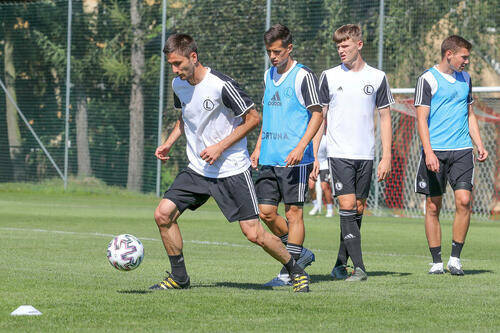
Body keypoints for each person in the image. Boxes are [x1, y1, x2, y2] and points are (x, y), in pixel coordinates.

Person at [151, 33, 310, 292]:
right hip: (199, 168)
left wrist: (219, 147)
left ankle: (296, 270)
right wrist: (169, 142)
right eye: (171, 64)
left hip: (231, 169)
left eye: (178, 63)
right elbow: (186, 118)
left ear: (193, 57)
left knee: (253, 233)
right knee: (163, 214)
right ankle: (179, 277)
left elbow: (253, 118)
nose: (175, 69)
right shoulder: (178, 85)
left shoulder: (221, 85)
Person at [317, 24, 393, 281]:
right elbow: (320, 117)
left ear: (359, 45)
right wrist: (314, 154)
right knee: (347, 205)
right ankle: (359, 267)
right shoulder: (328, 76)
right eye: (338, 46)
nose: (340, 50)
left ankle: (340, 264)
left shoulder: (378, 77)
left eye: (345, 45)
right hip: (338, 153)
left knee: (357, 208)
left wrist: (386, 156)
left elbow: (384, 118)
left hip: (367, 154)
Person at [250, 24, 323, 287]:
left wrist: (302, 147)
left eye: (277, 51)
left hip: (296, 159)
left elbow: (317, 113)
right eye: (269, 51)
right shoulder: (268, 75)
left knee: (294, 213)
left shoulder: (303, 76)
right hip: (269, 157)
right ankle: (299, 254)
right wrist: (258, 147)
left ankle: (290, 269)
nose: (273, 56)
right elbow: (268, 115)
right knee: (266, 212)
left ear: (289, 48)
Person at [414, 35, 488, 276]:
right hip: (435, 151)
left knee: (464, 201)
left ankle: (455, 259)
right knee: (433, 206)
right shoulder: (427, 79)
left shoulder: (466, 78)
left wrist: (479, 143)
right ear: (449, 54)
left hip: (462, 150)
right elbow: (421, 119)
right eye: (463, 56)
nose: (466, 61)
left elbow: (470, 114)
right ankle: (436, 261)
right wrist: (428, 152)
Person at [308, 133, 335, 218]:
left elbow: (330, 155)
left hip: (324, 165)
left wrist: (331, 171)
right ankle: (316, 205)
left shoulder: (325, 139)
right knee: (311, 186)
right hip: (312, 164)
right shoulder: (309, 137)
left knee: (324, 187)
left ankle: (330, 209)